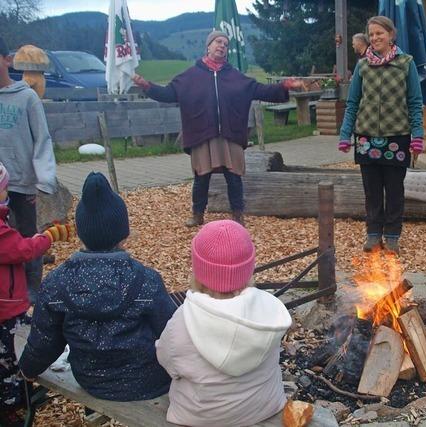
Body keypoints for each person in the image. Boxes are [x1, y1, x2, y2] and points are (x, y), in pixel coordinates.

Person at [19, 172, 176, 402]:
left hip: (92, 380)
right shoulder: (146, 280)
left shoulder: (56, 283)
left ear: (81, 234)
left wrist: (27, 369)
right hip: (149, 381)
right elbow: (171, 332)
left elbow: (44, 341)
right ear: (124, 234)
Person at [133, 30, 303, 227]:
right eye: (218, 42)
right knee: (201, 177)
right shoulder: (190, 76)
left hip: (229, 134)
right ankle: (197, 214)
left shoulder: (235, 76)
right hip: (202, 134)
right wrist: (147, 86)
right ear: (208, 46)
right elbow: (168, 93)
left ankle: (238, 215)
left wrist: (284, 87)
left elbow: (260, 90)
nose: (222, 46)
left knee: (234, 177)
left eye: (225, 43)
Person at [155, 220, 292, 427]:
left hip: (201, 416)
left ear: (199, 269)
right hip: (264, 406)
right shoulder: (270, 310)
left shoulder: (183, 320)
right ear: (248, 268)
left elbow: (167, 361)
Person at [338, 16, 424, 254]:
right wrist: (346, 134)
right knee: (372, 191)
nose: (375, 38)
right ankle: (373, 234)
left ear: (391, 35)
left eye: (379, 33)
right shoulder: (363, 66)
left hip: (398, 137)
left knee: (395, 191)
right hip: (366, 139)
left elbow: (415, 103)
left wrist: (418, 135)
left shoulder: (406, 64)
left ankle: (393, 235)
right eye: (371, 34)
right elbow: (353, 103)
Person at [0, 163, 72, 427]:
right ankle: (13, 405)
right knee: (13, 352)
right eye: (4, 189)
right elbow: (23, 249)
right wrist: (48, 237)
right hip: (6, 307)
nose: (6, 192)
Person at [0, 36, 57, 304]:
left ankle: (33, 291)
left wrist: (45, 179)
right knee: (4, 241)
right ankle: (8, 291)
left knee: (26, 236)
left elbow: (42, 139)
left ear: (7, 60)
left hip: (22, 183)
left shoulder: (26, 98)